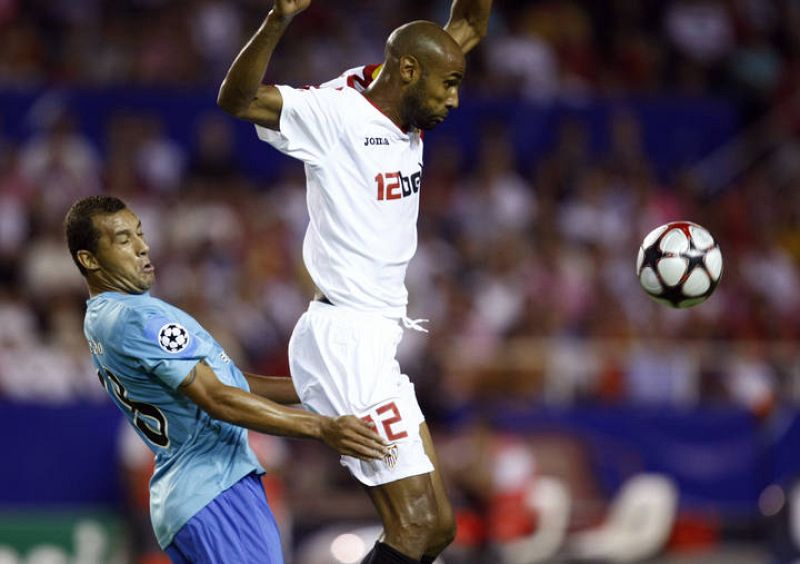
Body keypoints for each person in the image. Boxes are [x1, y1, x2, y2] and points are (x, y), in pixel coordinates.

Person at [217, 1, 491, 562]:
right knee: (416, 525)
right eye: (449, 85)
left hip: (374, 339)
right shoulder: (335, 115)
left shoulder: (409, 88)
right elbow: (238, 100)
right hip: (345, 339)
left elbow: (468, 25)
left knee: (437, 528)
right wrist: (277, 19)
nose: (454, 100)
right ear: (409, 71)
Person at [64, 195, 389, 563]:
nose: (143, 247)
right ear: (89, 260)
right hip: (215, 491)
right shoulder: (137, 318)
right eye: (124, 240)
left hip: (199, 492)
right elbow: (217, 398)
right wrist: (322, 428)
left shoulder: (108, 316)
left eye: (140, 234)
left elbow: (230, 385)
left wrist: (320, 390)